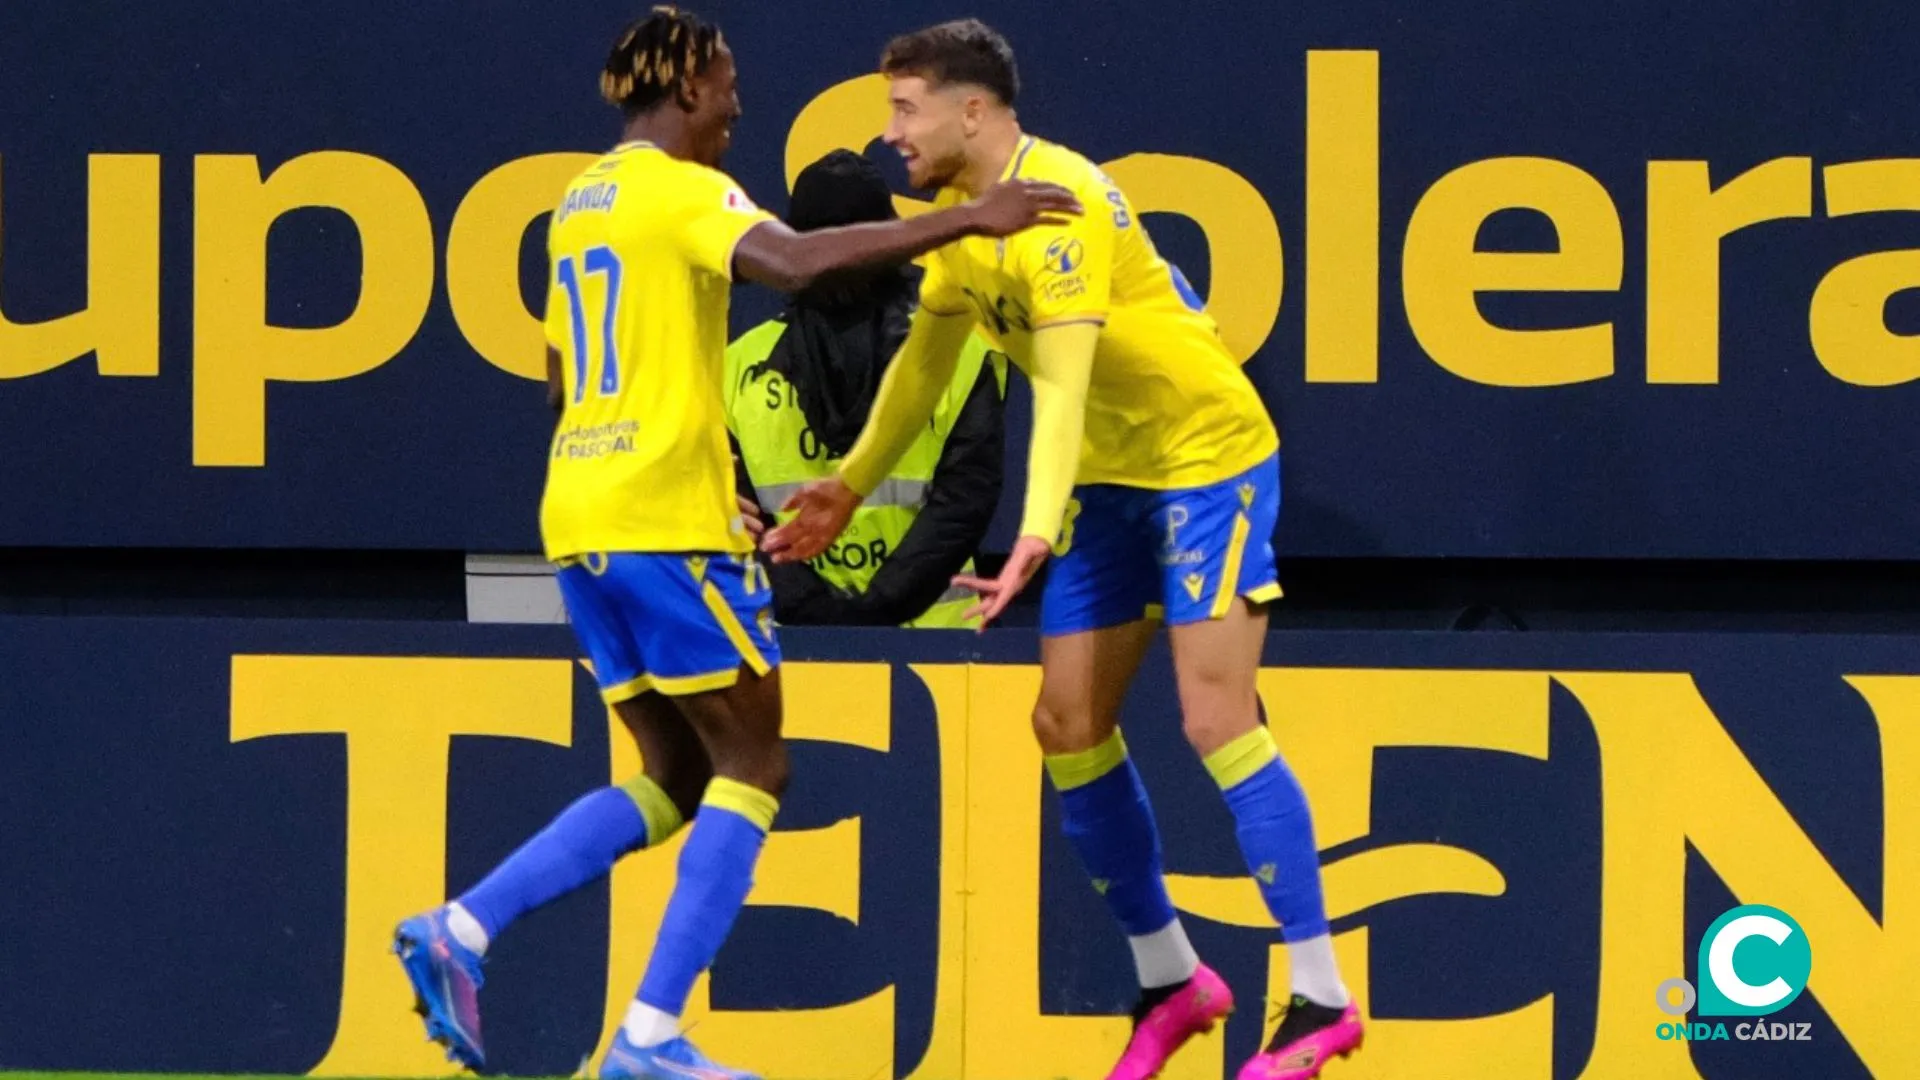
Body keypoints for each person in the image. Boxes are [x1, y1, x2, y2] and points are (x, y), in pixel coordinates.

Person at [388, 9, 1079, 1080]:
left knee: (674, 772)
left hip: (580, 514)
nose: (737, 105)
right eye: (727, 83)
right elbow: (793, 262)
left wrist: (687, 452)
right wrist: (967, 220)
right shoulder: (682, 189)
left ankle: (462, 929)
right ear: (688, 90)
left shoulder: (578, 203)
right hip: (661, 520)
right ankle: (648, 1036)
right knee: (756, 764)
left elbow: (563, 379)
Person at [765, 19, 1362, 1080]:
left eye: (905, 108)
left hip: (1203, 459)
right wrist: (848, 488)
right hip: (1108, 476)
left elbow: (1065, 389)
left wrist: (1035, 529)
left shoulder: (1064, 202)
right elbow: (922, 369)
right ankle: (1173, 979)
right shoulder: (963, 225)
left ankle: (1320, 997)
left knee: (1213, 716)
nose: (890, 132)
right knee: (1066, 723)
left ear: (972, 111)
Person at [726, 149, 1006, 629]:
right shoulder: (960, 349)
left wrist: (824, 618)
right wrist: (877, 613)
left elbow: (742, 525)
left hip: (794, 642)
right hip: (936, 642)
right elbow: (962, 504)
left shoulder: (739, 367)